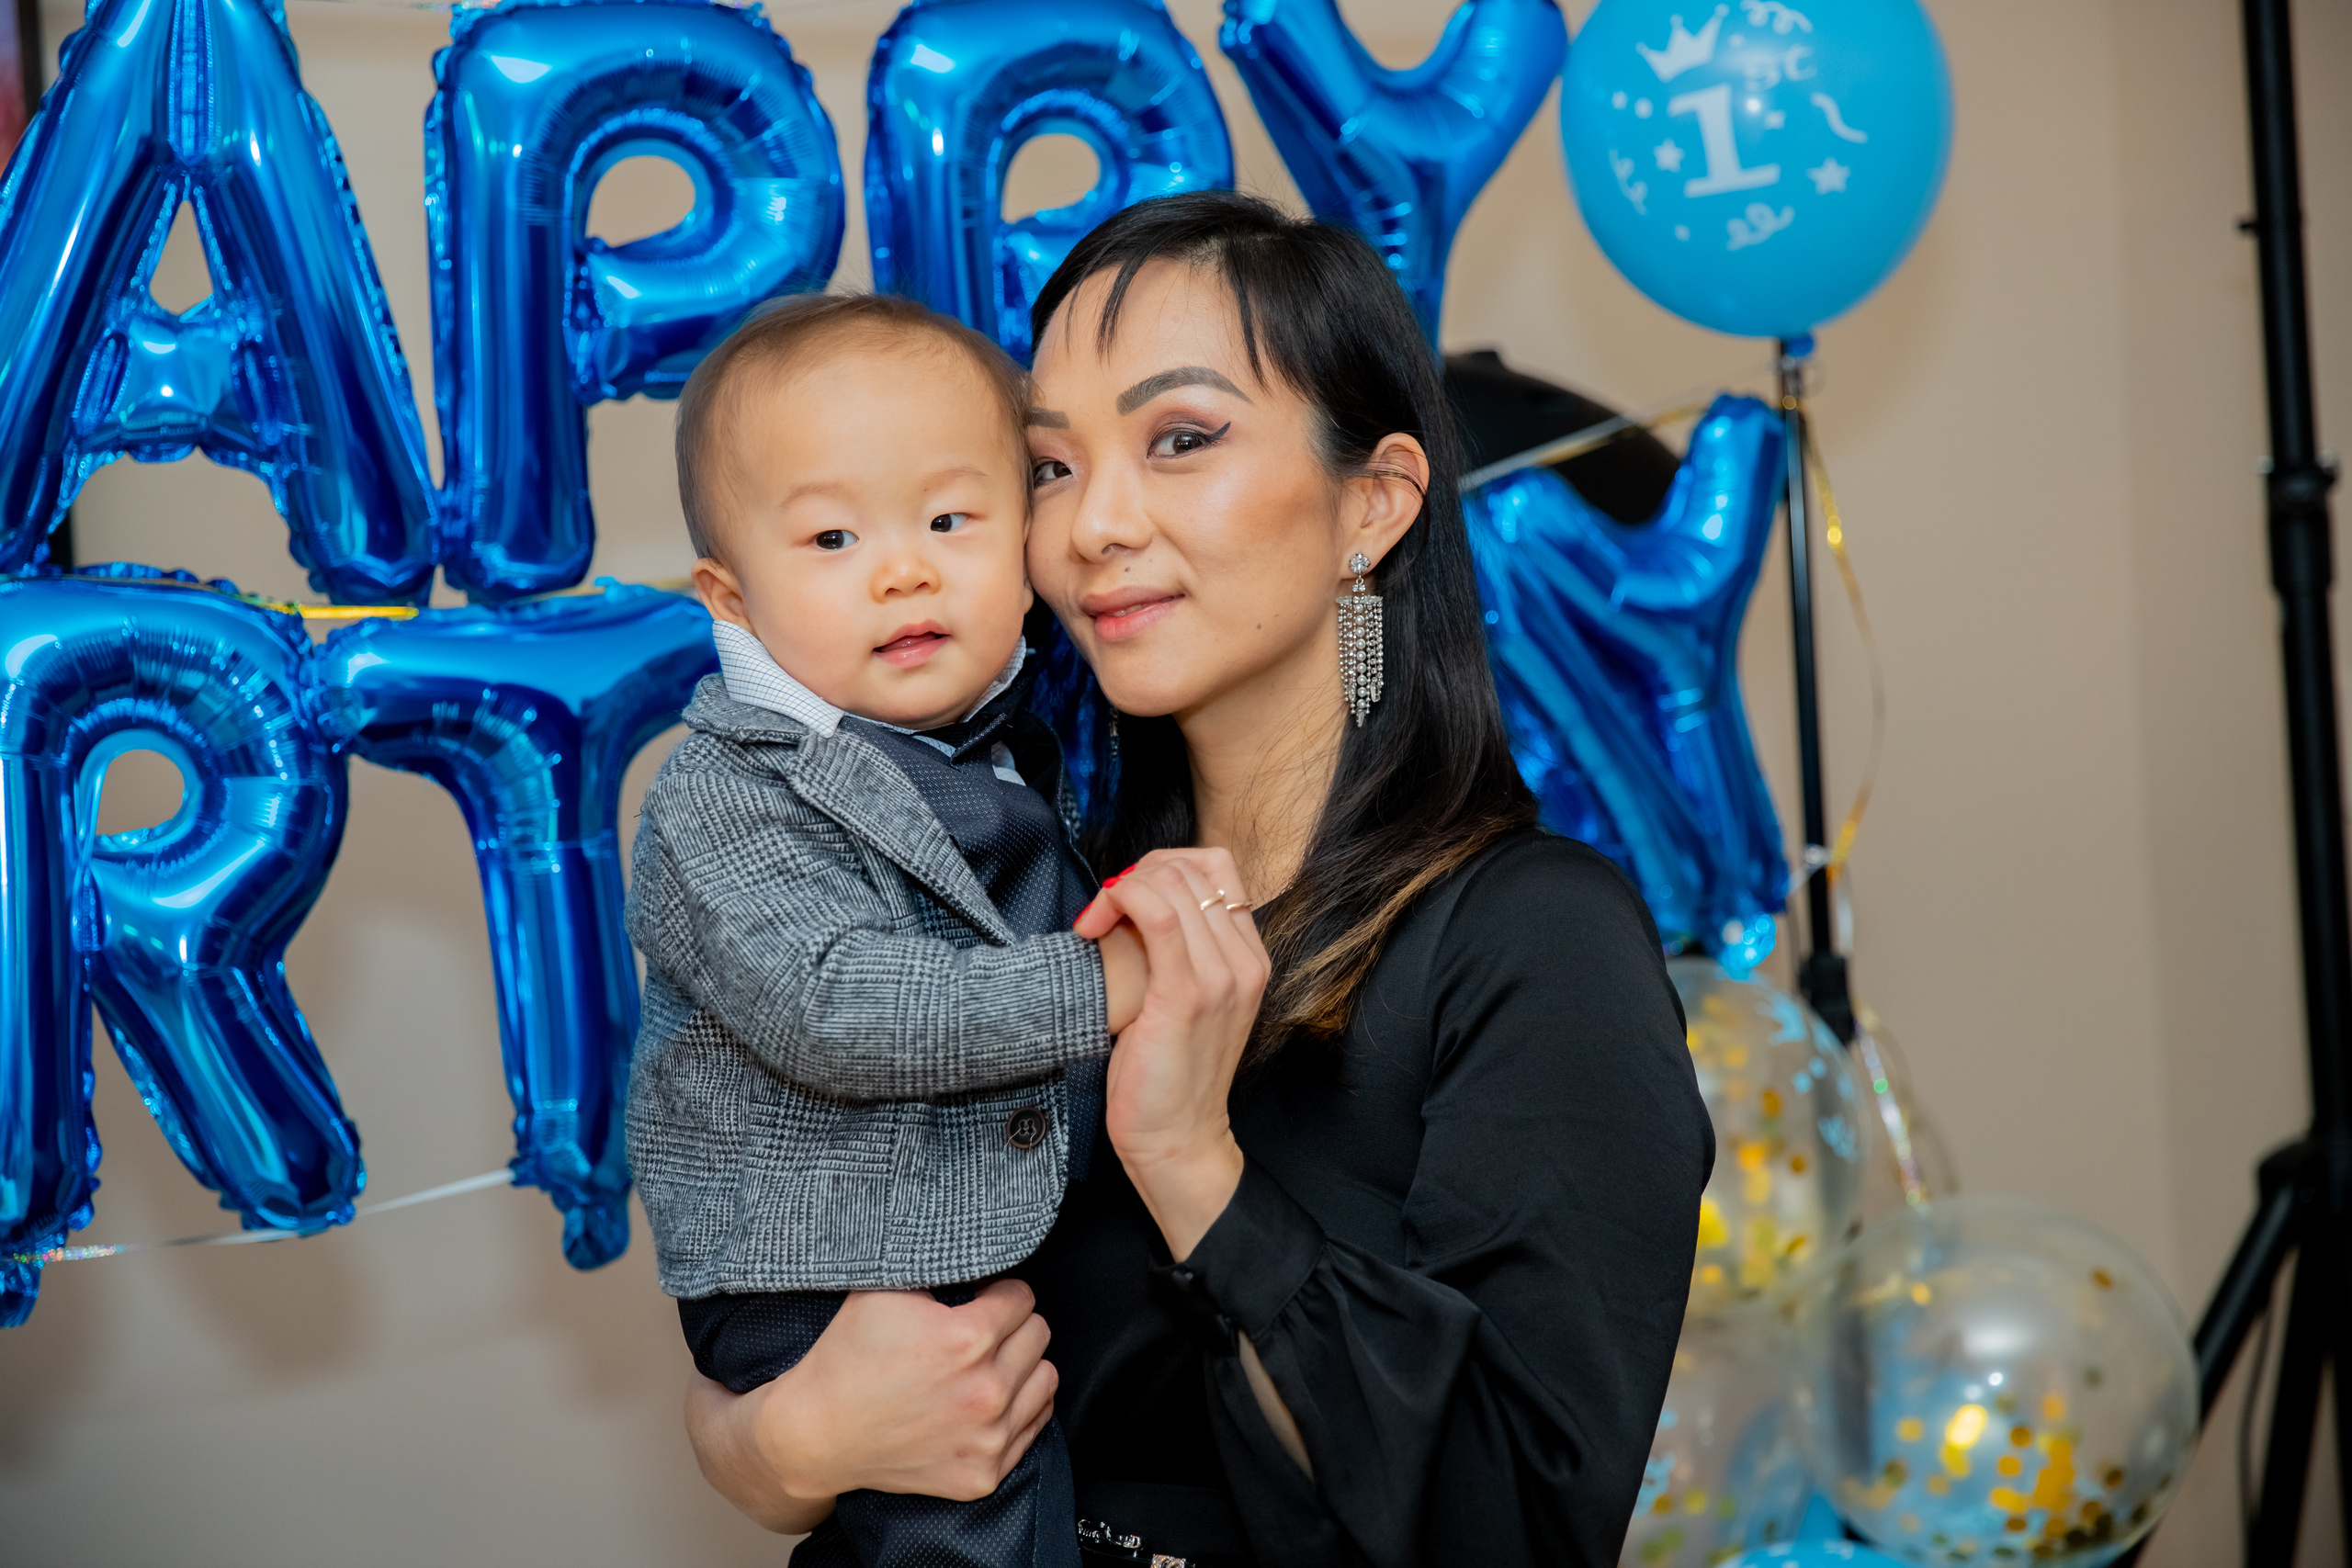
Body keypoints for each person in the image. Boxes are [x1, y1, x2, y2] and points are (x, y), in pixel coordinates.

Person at [678, 192, 1715, 1568]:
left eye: (1180, 438)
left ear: (1372, 503)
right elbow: (774, 1278)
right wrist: (782, 1446)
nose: (1095, 524)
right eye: (1051, 466)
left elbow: (1515, 1527)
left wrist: (1193, 1168)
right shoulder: (1029, 893)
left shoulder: (1532, 937)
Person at [624, 290, 1156, 1568]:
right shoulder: (727, 793)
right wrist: (1103, 985)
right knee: (965, 1520)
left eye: (950, 519)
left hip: (960, 1231)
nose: (903, 568)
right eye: (831, 536)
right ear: (731, 599)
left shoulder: (1008, 743)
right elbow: (838, 1006)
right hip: (823, 1267)